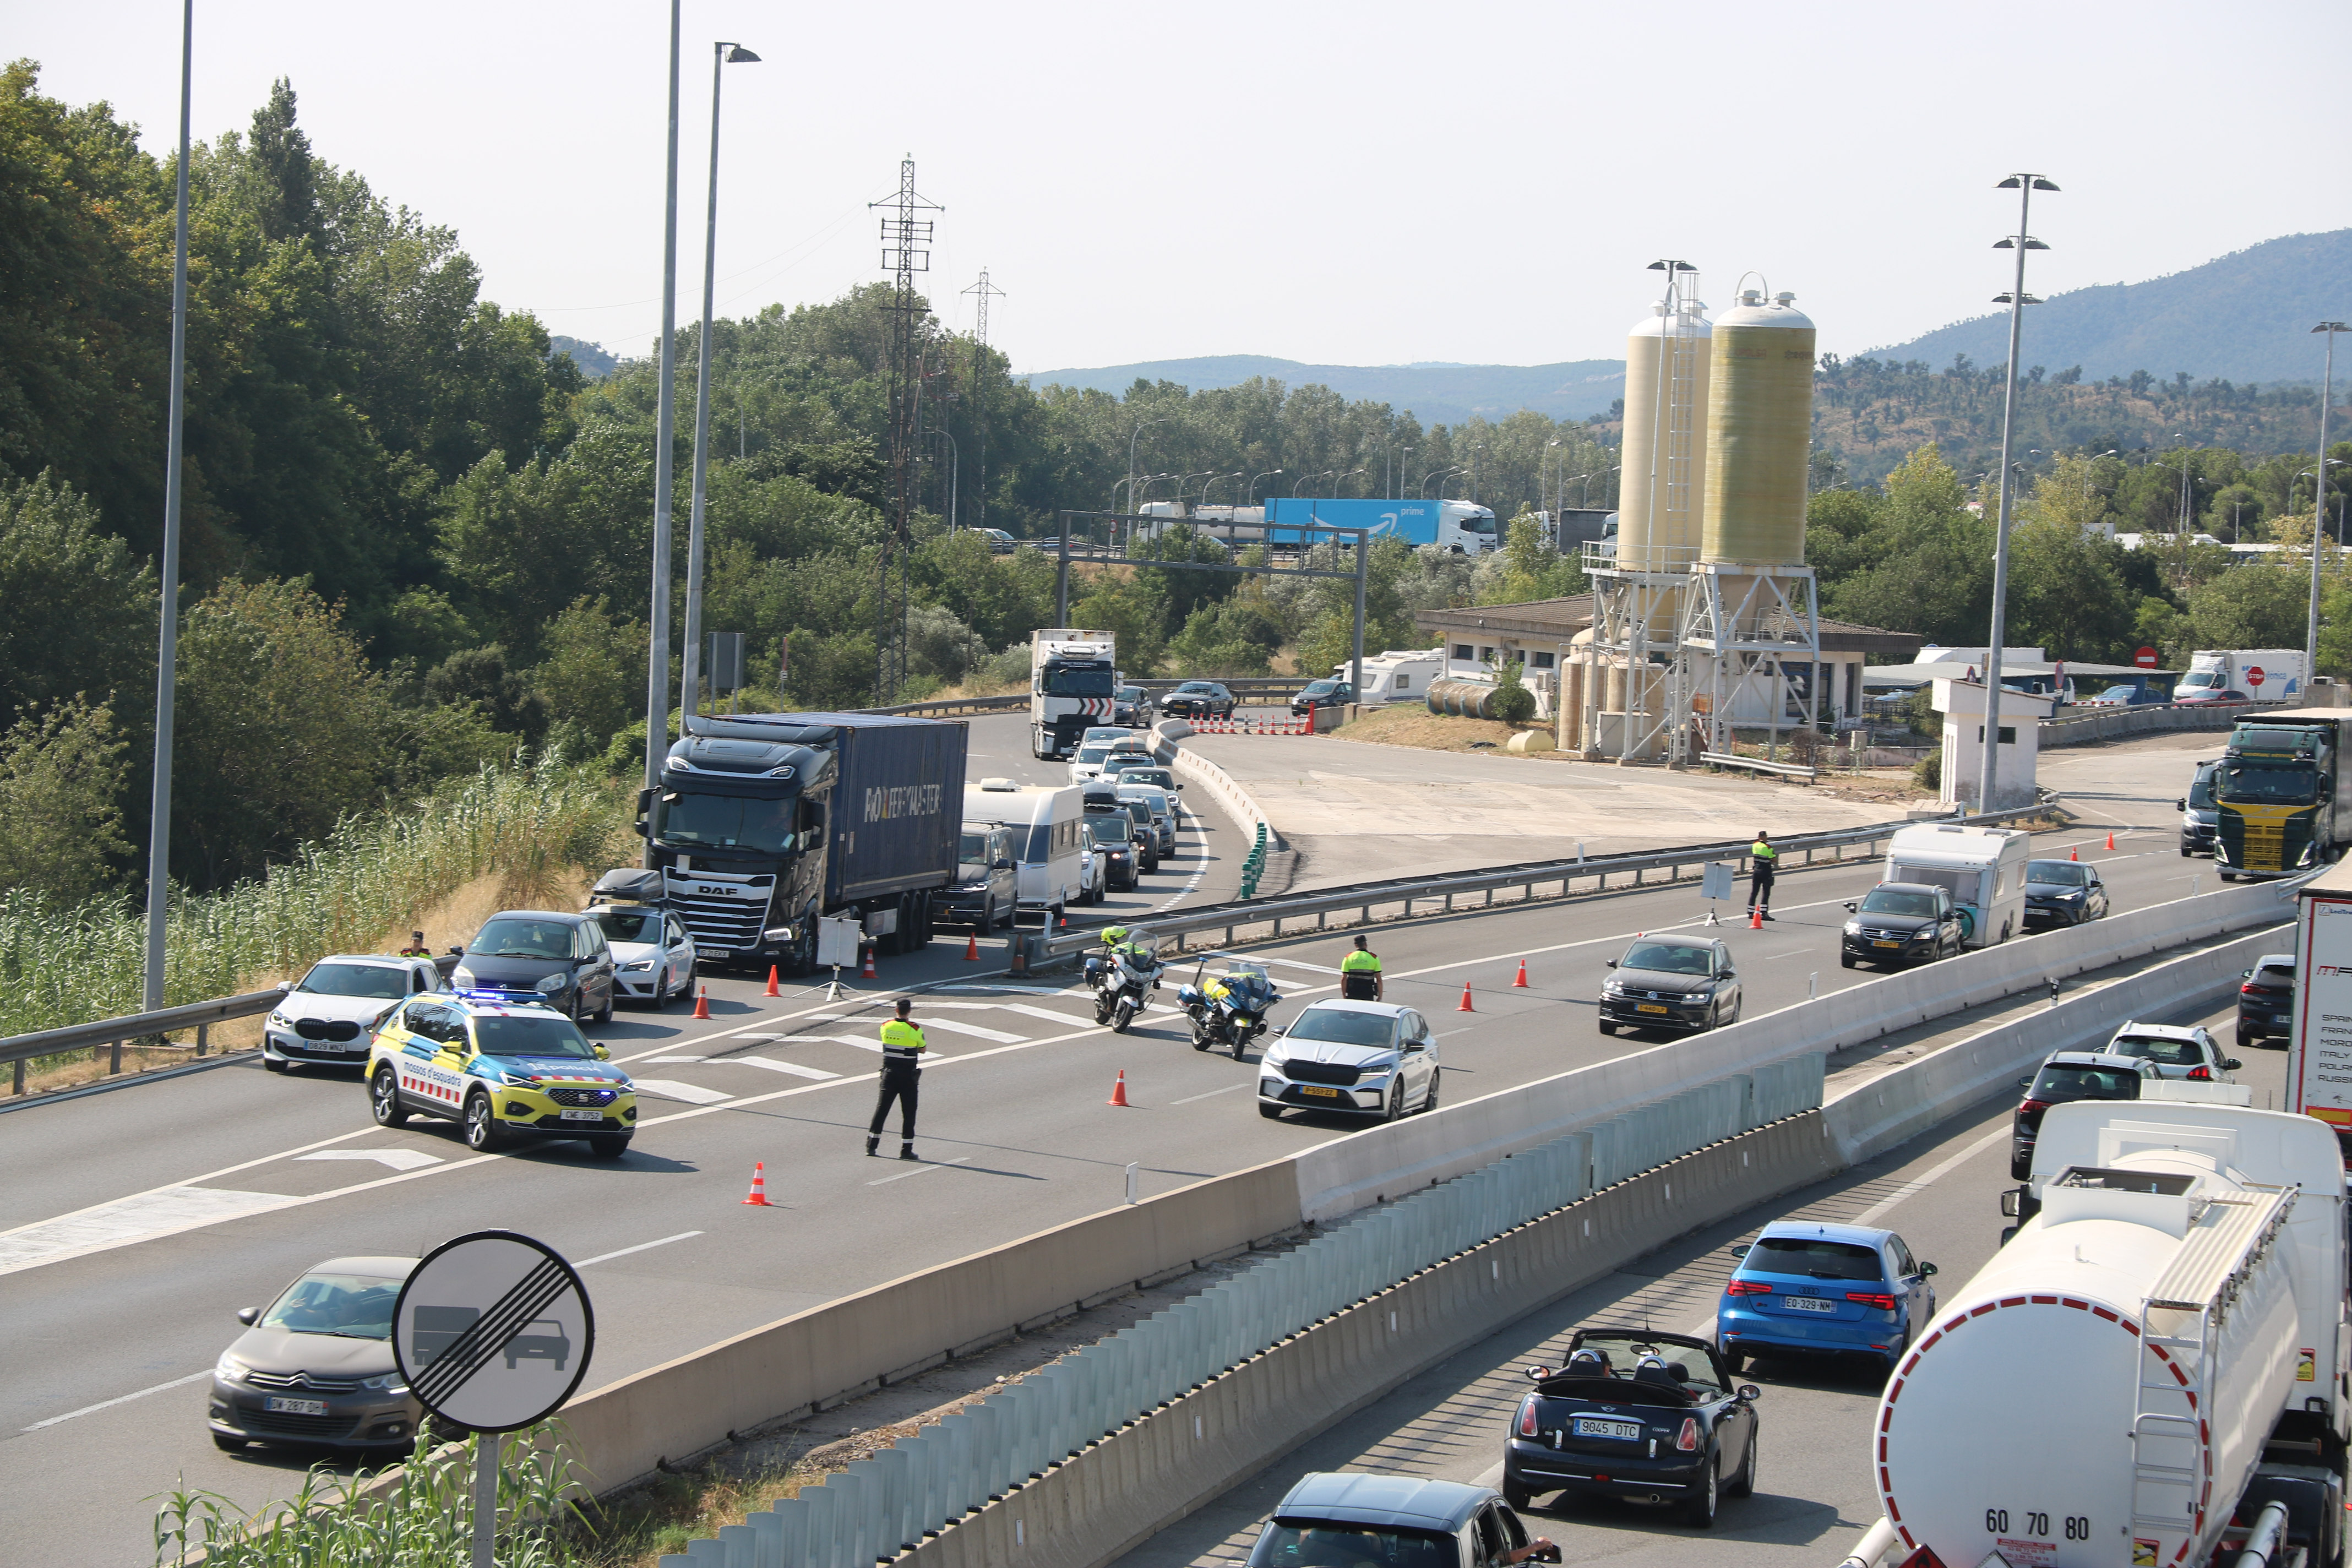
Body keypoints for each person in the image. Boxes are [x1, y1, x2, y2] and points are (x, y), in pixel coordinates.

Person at [868, 997, 925, 1160]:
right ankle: (906, 1150)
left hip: (889, 1073)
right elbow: (923, 1049)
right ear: (910, 1011)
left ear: (896, 1010)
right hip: (907, 1076)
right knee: (909, 1113)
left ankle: (871, 1146)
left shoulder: (885, 1026)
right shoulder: (914, 1029)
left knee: (882, 1109)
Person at [1339, 935, 1384, 1001]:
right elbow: (1379, 980)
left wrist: (1344, 996)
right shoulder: (1374, 958)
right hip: (1368, 993)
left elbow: (1344, 979)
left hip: (1352, 992)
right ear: (1366, 944)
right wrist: (1380, 997)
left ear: (1356, 945)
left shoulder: (1348, 957)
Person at [1747, 830, 1778, 921]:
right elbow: (1774, 859)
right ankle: (1764, 913)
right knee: (1766, 892)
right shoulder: (1768, 847)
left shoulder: (1755, 845)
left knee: (1754, 892)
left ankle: (1750, 912)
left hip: (1756, 871)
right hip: (1766, 871)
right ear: (1765, 837)